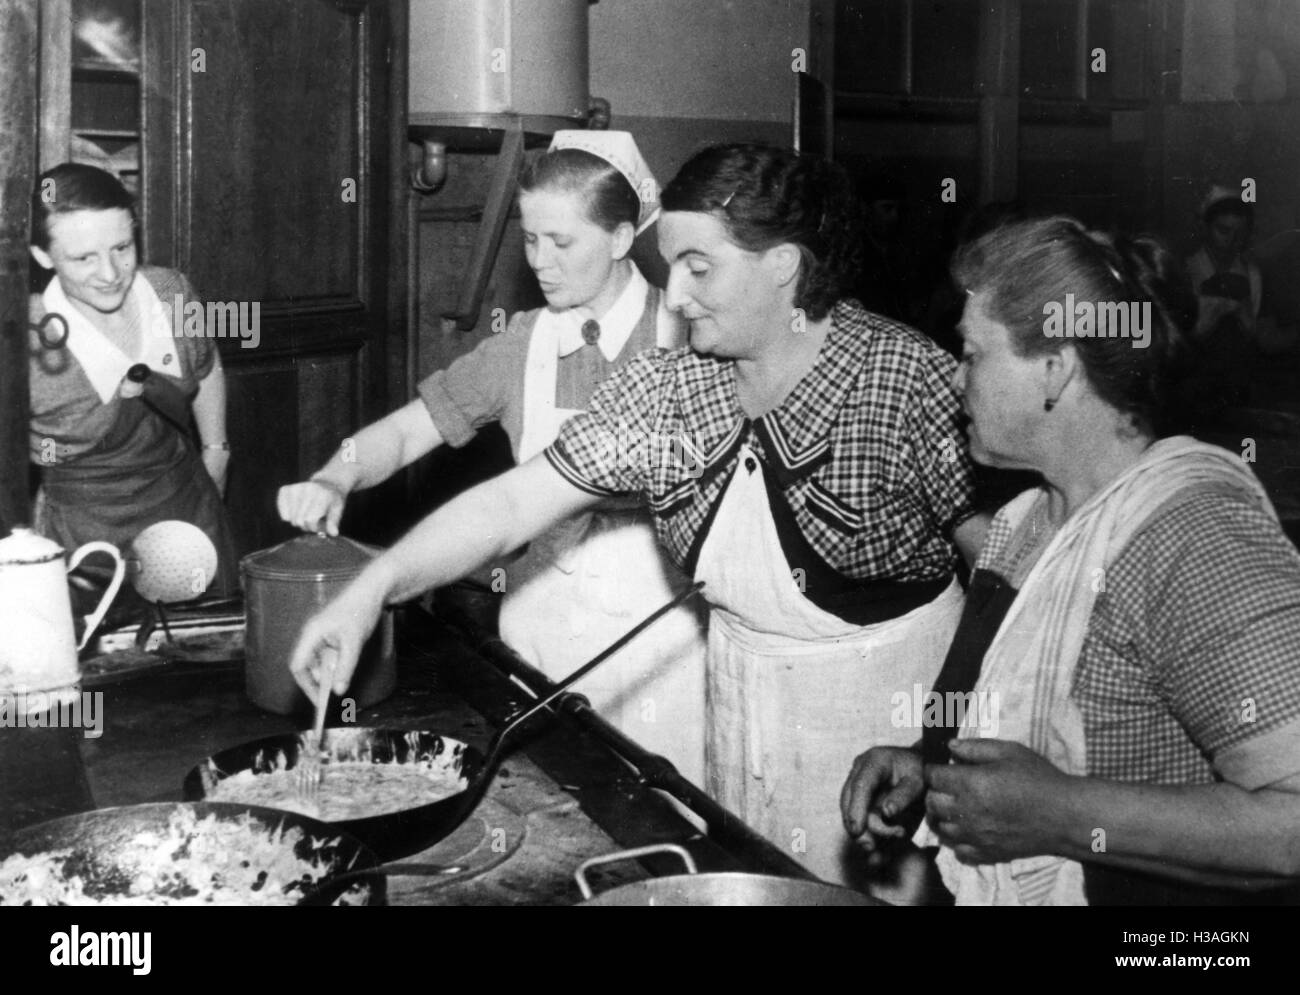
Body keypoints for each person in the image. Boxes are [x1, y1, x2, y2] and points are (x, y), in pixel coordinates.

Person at [287, 143, 985, 886]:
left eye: (699, 266)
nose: (676, 295)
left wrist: (935, 741)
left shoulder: (901, 379)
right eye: (670, 265)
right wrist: (374, 586)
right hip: (739, 711)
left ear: (783, 264)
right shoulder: (669, 389)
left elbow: (1008, 572)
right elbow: (514, 503)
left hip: (884, 733)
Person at [841, 216, 1300, 905]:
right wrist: (927, 765)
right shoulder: (1026, 523)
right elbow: (1004, 719)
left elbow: (1291, 823)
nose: (952, 380)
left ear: (1055, 368)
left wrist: (1059, 815)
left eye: (971, 354)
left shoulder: (1192, 533)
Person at [277, 132, 709, 785]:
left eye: (562, 242)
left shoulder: (690, 337)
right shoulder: (525, 343)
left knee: (664, 821)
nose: (540, 260)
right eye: (530, 238)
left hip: (660, 649)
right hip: (540, 634)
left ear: (621, 238)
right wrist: (337, 473)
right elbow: (404, 431)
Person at [27, 163, 236, 606]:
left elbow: (207, 366)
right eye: (84, 257)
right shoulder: (23, 339)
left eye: (122, 247)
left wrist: (216, 453)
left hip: (187, 514)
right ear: (44, 257)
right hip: (84, 539)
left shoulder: (170, 292)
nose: (110, 273)